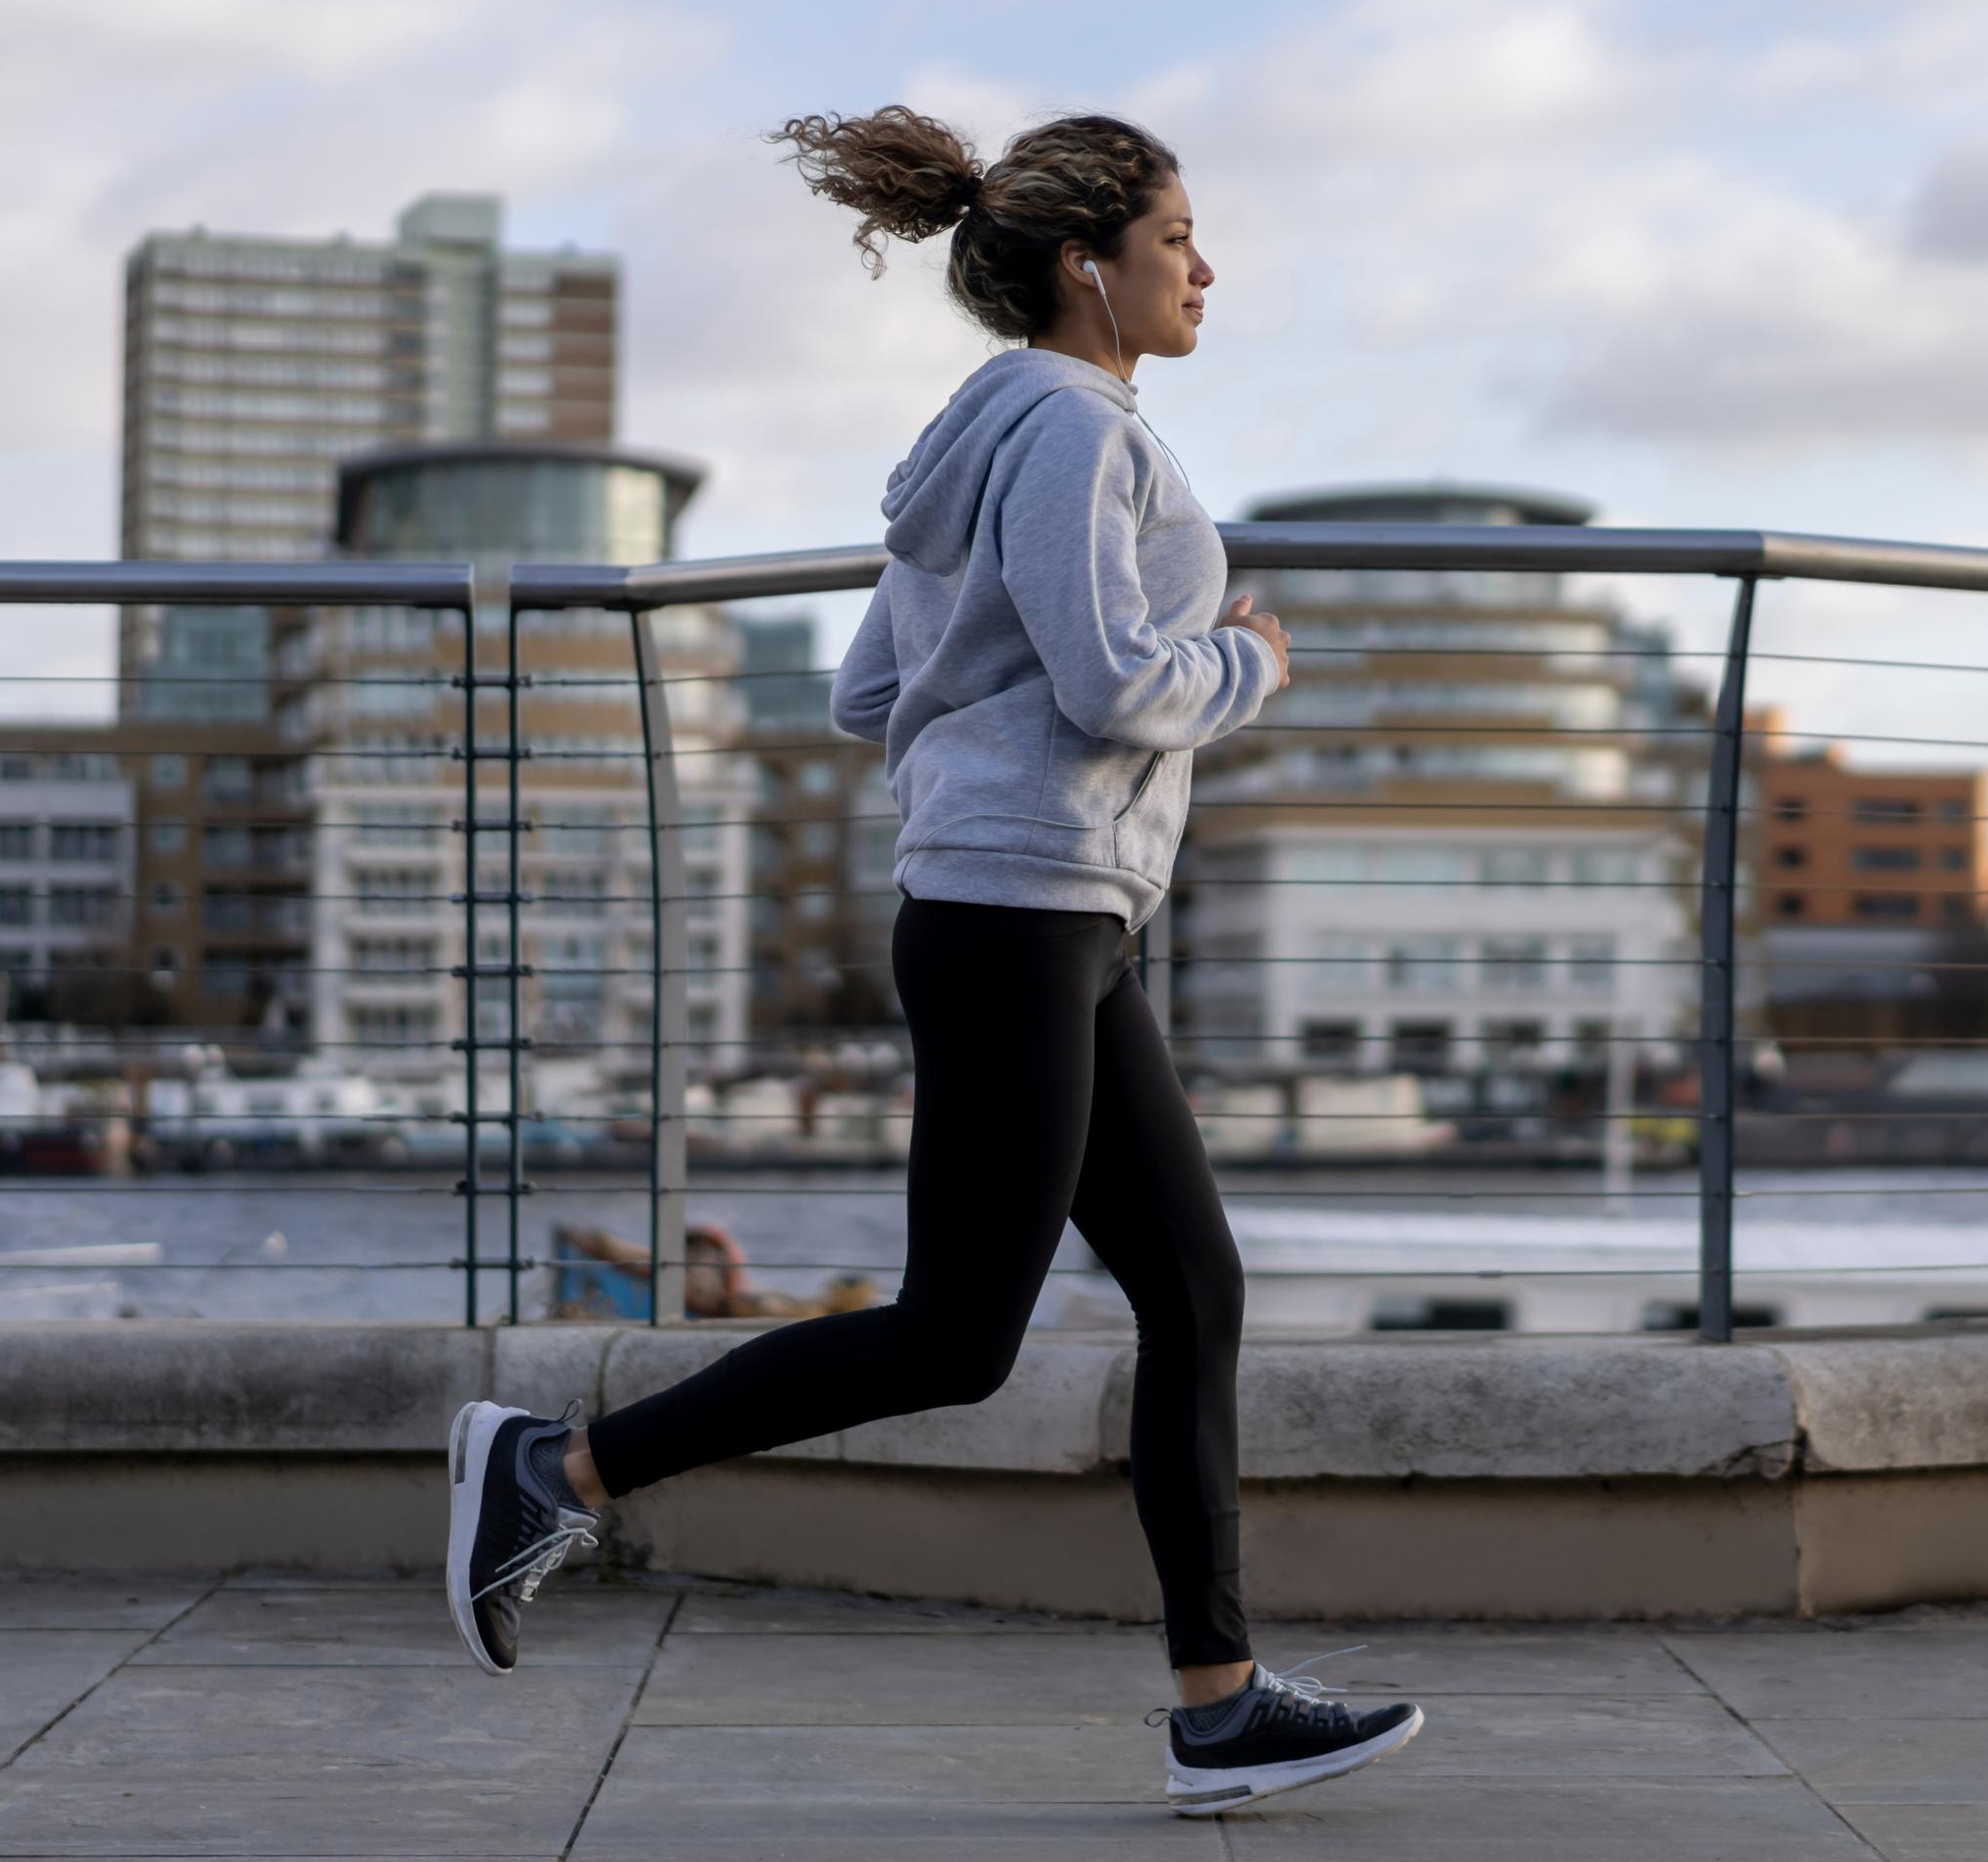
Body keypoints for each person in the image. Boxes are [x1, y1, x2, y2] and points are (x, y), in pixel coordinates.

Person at [441, 105, 1424, 1816]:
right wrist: (1245, 661)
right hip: (1020, 915)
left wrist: (995, 773)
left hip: (1049, 915)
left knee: (1195, 1293)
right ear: (1086, 265)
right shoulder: (1074, 430)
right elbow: (1122, 681)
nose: (1207, 267)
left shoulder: (978, 438)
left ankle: (1222, 1701)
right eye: (1178, 237)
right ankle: (560, 1465)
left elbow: (871, 695)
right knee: (958, 1337)